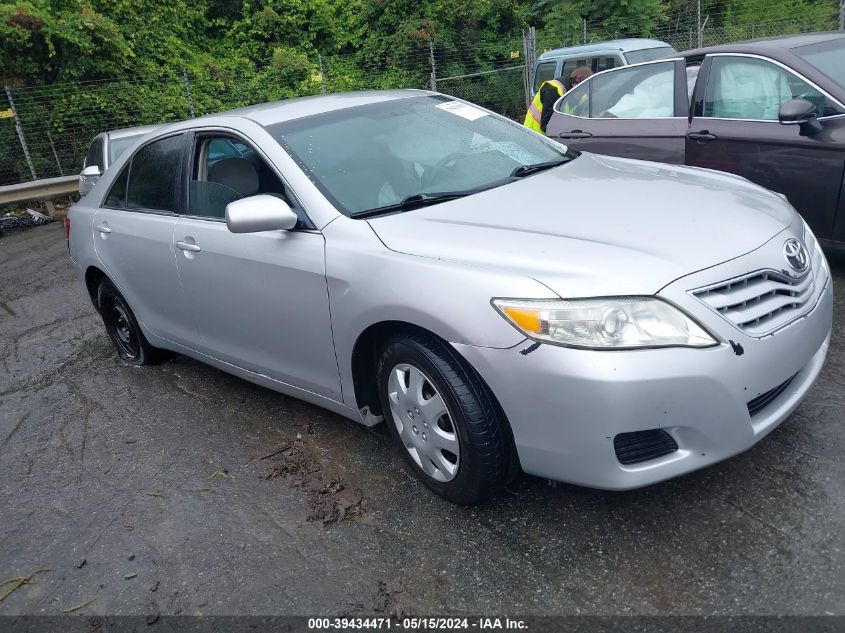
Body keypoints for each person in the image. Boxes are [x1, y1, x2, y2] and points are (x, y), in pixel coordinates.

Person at [524, 66, 593, 134]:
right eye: (582, 90)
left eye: (585, 90)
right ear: (575, 84)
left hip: (552, 137)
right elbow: (546, 125)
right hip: (534, 133)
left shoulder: (579, 96)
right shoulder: (552, 90)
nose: (583, 94)